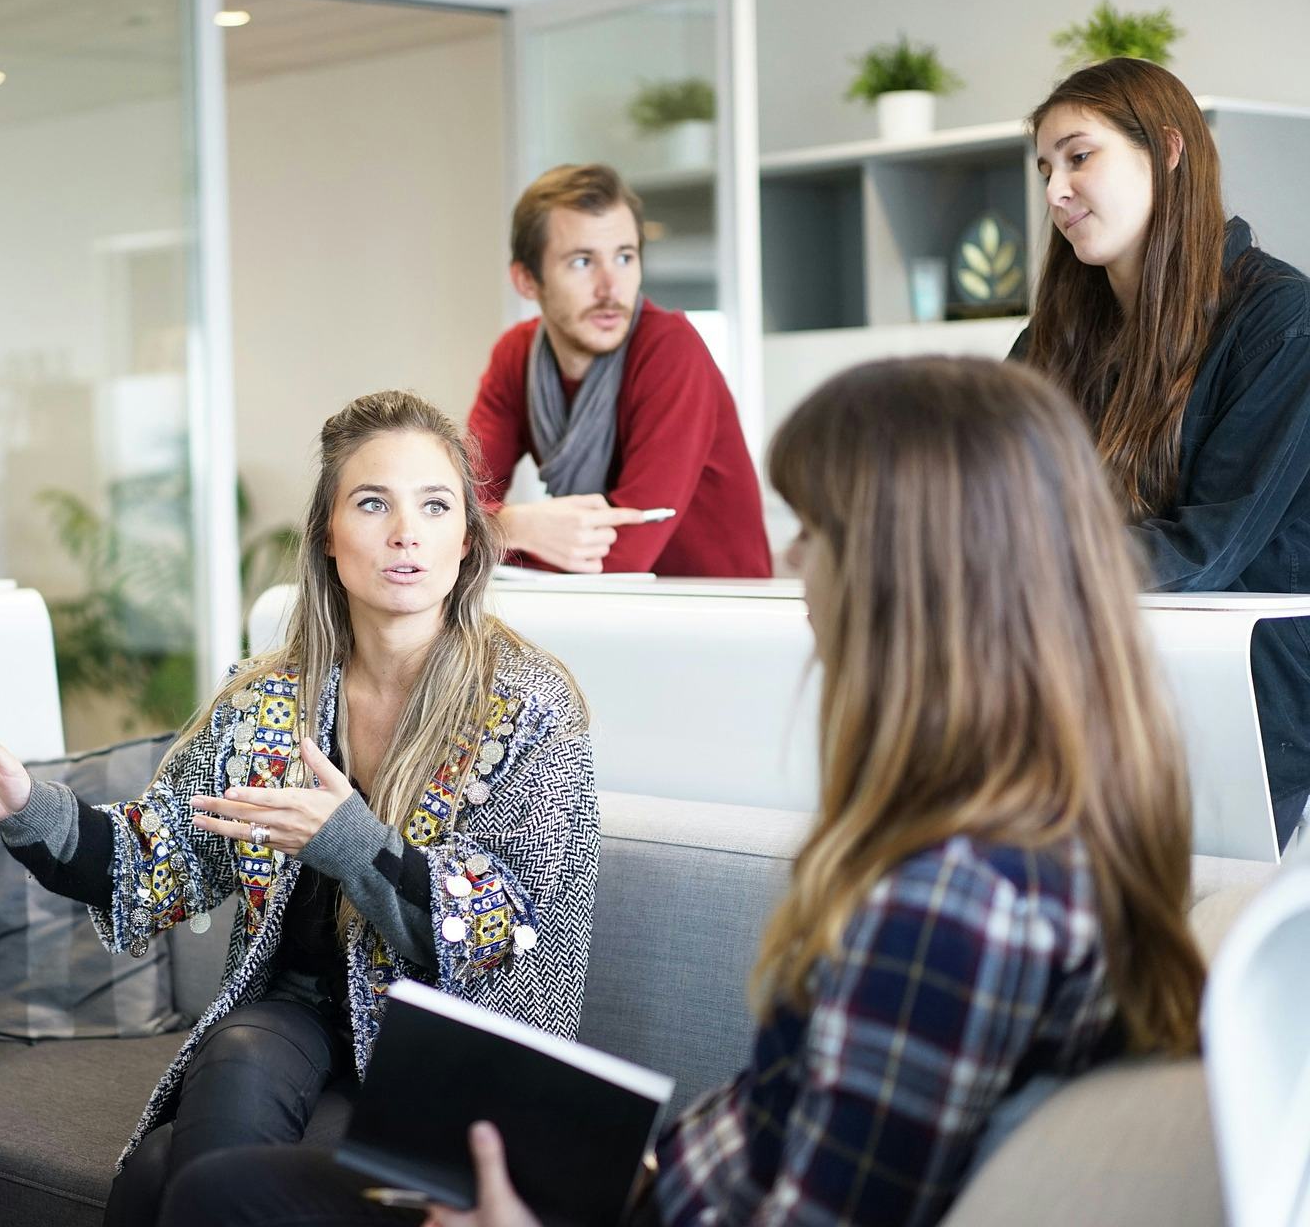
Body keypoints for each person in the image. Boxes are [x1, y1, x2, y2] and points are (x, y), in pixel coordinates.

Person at [165, 357, 1206, 1227]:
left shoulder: (952, 903)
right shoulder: (1027, 836)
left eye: (818, 531)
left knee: (225, 1199)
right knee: (216, 1179)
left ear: (913, 574)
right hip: (653, 1185)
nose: (794, 562)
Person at [0, 390, 599, 1224]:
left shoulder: (528, 705)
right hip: (296, 1017)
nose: (406, 531)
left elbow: (506, 933)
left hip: (449, 1053)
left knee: (165, 1173)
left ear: (467, 542)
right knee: (233, 1058)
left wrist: (350, 842)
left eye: (435, 505)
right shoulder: (269, 700)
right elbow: (148, 862)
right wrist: (21, 807)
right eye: (372, 503)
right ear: (328, 539)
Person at [1016, 57, 1310, 848]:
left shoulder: (1283, 322)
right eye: (1047, 168)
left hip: (1248, 710)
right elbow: (988, 499)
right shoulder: (1051, 341)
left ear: (1169, 151)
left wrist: (1010, 562)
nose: (1054, 192)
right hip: (1090, 689)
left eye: (1080, 156)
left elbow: (1205, 550)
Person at [465, 163, 769, 577]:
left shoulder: (670, 348)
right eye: (581, 262)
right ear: (526, 281)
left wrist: (490, 532)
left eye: (624, 257)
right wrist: (514, 525)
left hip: (715, 616)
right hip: (605, 612)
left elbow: (624, 555)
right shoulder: (515, 355)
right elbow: (451, 509)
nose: (611, 288)